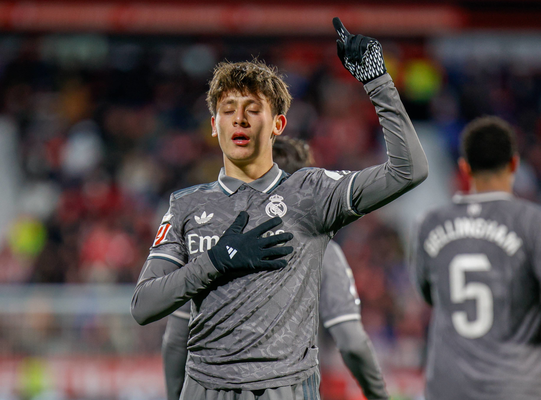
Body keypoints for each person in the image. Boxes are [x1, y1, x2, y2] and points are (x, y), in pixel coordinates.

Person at [131, 17, 428, 400]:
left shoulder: (311, 193)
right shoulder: (186, 204)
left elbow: (408, 170)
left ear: (278, 124)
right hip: (204, 390)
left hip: (284, 389)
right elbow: (143, 306)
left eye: (253, 109)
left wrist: (377, 82)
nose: (239, 118)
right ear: (214, 124)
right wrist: (215, 262)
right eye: (228, 109)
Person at [161, 136, 390, 400]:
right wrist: (379, 396)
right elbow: (351, 342)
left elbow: (175, 340)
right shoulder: (323, 253)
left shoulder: (210, 245)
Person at [408, 116, 541, 400]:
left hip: (447, 389)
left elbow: (428, 294)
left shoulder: (429, 223)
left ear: (465, 168)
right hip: (512, 388)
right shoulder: (536, 222)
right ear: (514, 164)